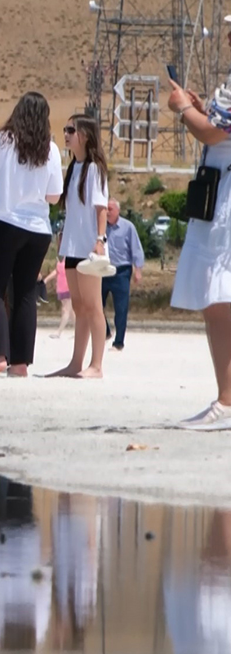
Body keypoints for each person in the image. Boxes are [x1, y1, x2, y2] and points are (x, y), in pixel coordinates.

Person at [0, 91, 64, 377]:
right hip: (38, 228)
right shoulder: (51, 149)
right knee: (25, 293)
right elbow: (53, 196)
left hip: (6, 221)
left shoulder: (0, 141)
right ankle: (21, 362)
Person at [166, 76, 231, 428]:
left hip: (226, 198)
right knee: (217, 295)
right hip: (220, 189)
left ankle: (227, 399)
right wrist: (201, 109)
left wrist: (185, 109)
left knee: (218, 295)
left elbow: (212, 134)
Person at [49, 115, 110, 379]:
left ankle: (96, 364)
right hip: (73, 245)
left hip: (89, 247)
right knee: (78, 304)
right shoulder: (74, 167)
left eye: (71, 130)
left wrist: (100, 240)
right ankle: (76, 362)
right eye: (66, 129)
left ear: (84, 135)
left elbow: (101, 209)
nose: (66, 134)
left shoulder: (95, 168)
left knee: (93, 304)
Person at [102, 199, 145, 350]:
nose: (107, 212)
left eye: (110, 209)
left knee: (121, 309)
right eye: (105, 209)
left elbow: (136, 249)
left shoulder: (128, 227)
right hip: (103, 270)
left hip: (122, 271)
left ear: (118, 211)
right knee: (96, 305)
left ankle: (119, 342)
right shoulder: (100, 227)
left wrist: (138, 270)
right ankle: (105, 332)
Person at [42, 252, 75, 338]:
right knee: (70, 312)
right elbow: (57, 271)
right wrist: (45, 280)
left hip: (69, 287)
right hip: (61, 288)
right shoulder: (61, 258)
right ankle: (78, 331)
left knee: (65, 310)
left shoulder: (71, 257)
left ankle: (59, 331)